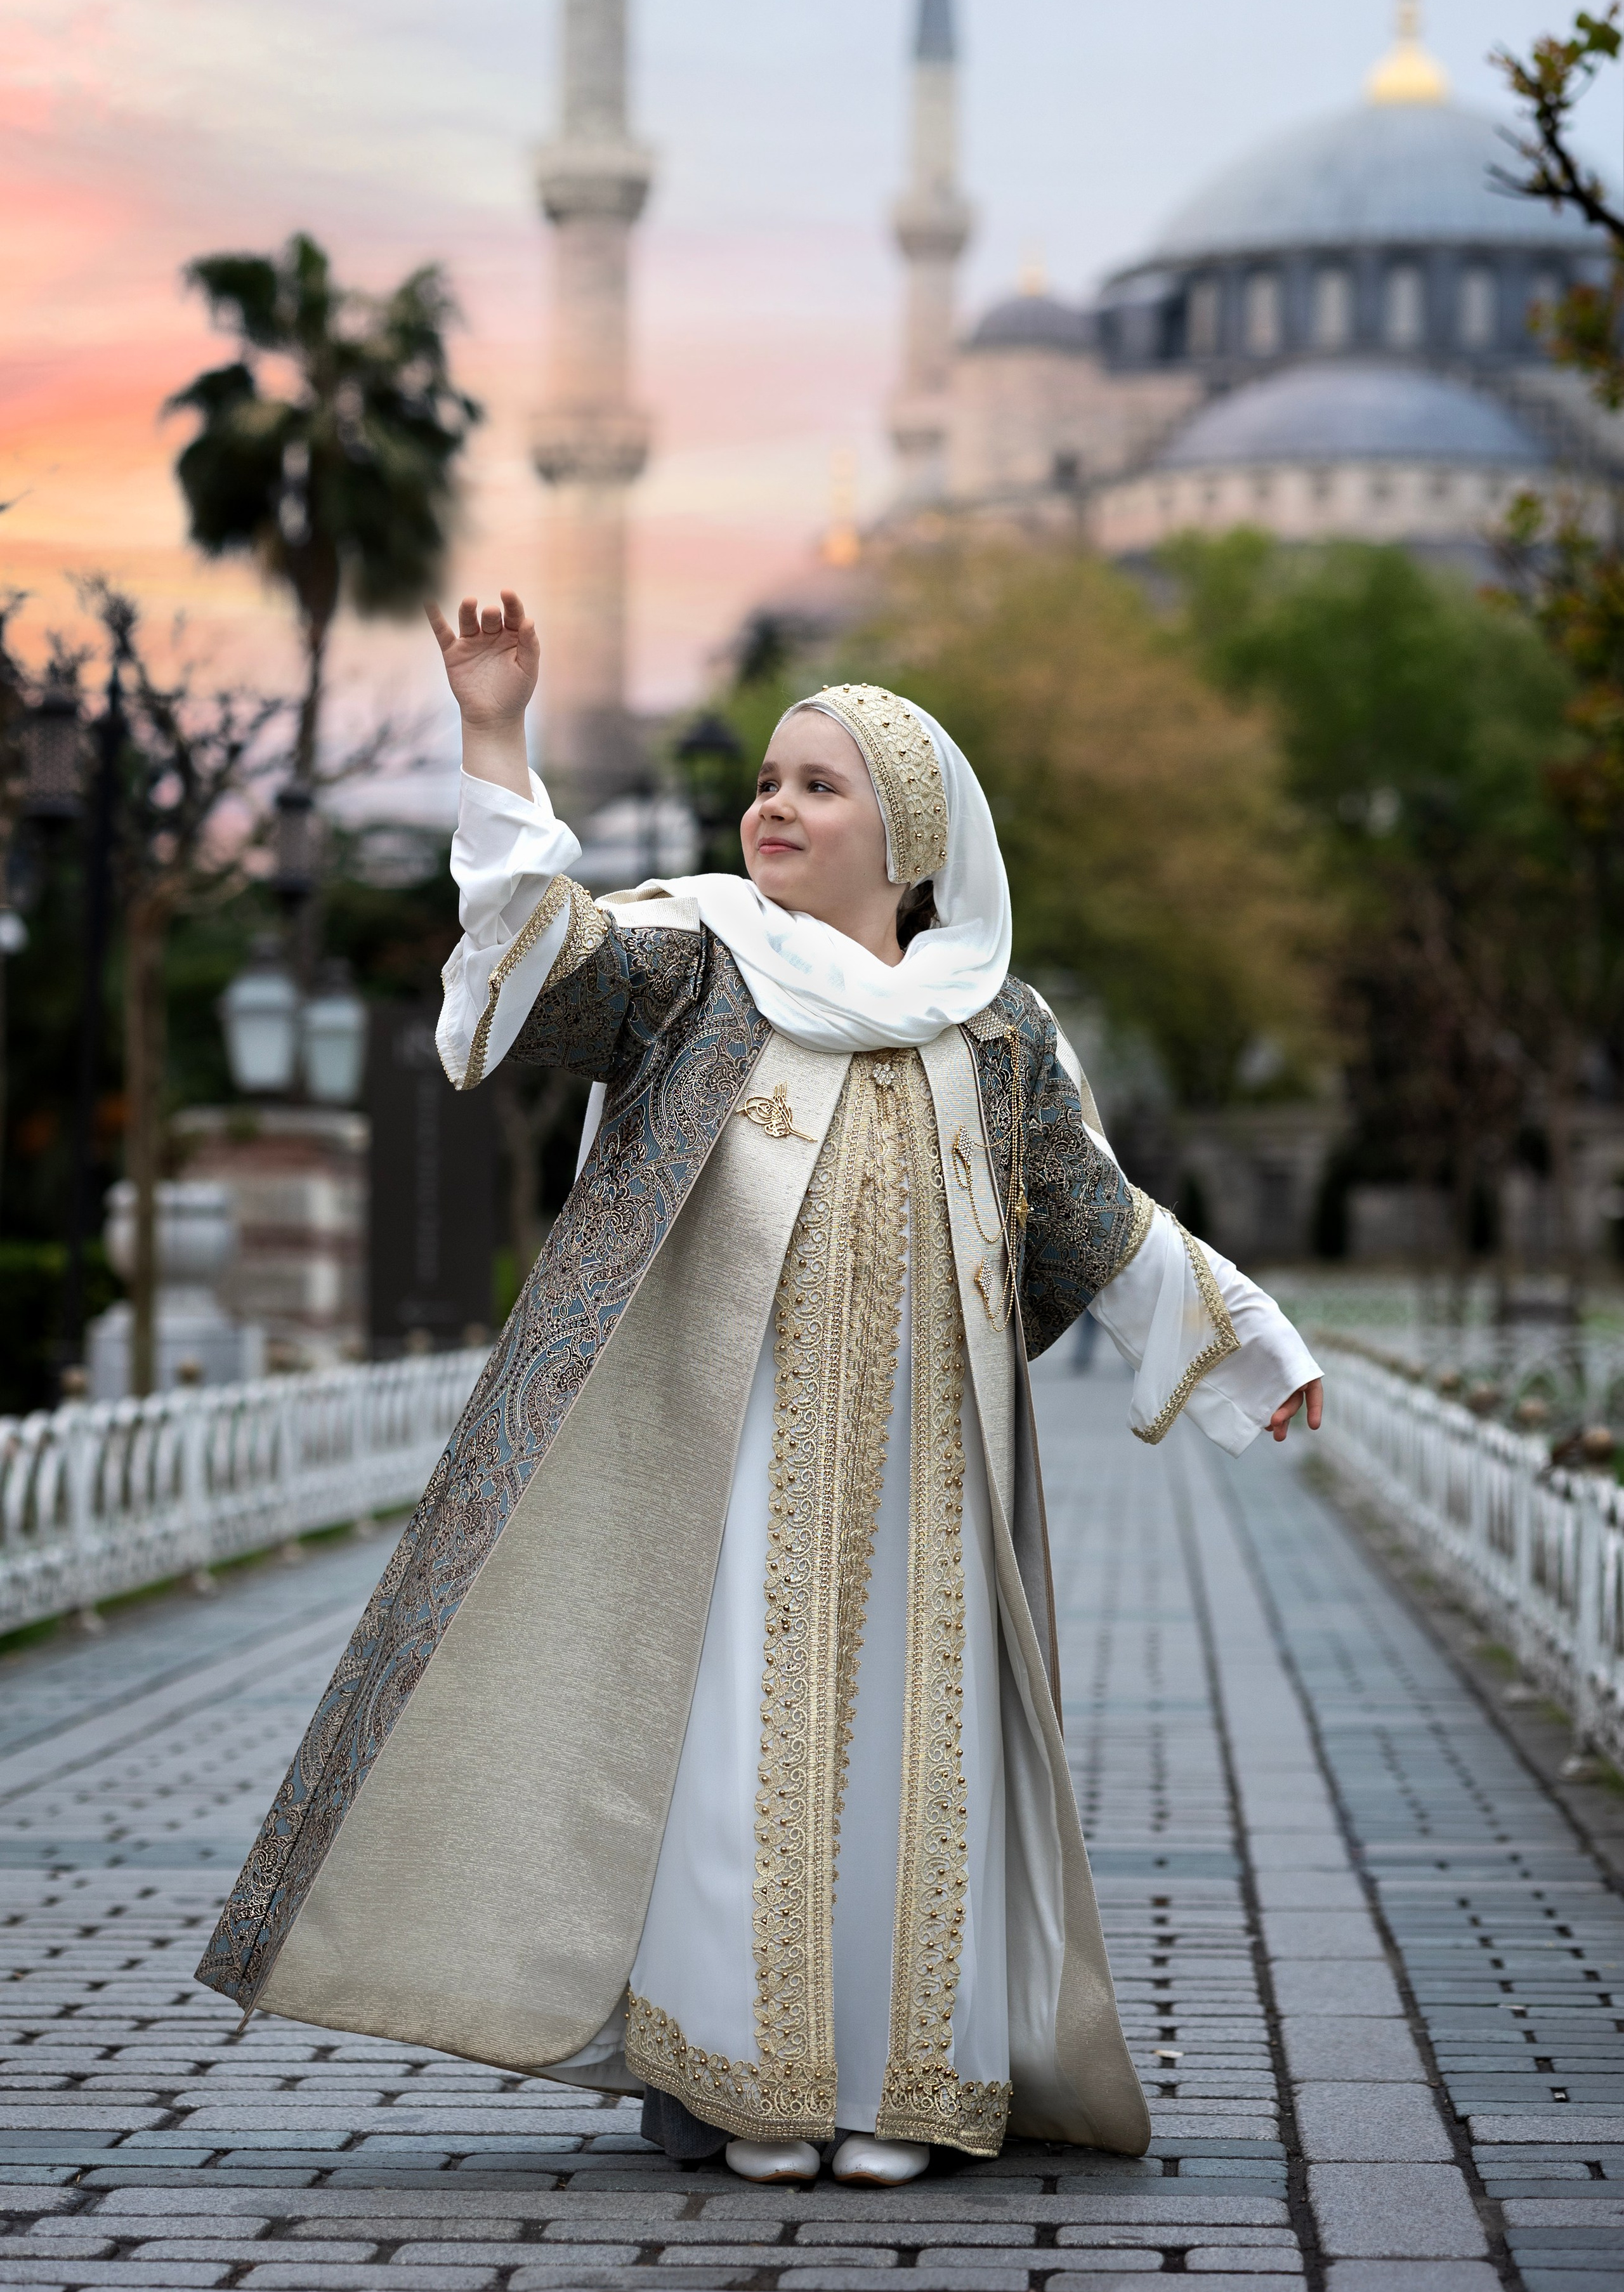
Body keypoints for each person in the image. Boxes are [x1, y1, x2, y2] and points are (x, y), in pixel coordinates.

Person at [197, 589, 1323, 2189]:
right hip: (724, 1475)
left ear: (912, 842)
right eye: (770, 777)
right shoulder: (698, 970)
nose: (773, 804)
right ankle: (749, 2083)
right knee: (736, 1759)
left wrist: (1254, 1349)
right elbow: (541, 950)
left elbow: (1098, 1221)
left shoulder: (994, 1032)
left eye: (819, 784)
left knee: (910, 1765)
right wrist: (496, 730)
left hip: (928, 1494)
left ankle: (900, 2086)